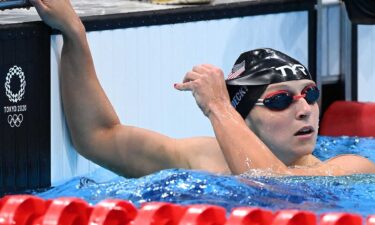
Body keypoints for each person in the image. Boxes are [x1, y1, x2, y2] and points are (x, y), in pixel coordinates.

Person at [30, 0, 375, 177]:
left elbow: (277, 187)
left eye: (310, 94)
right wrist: (74, 33)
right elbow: (97, 137)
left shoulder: (351, 168)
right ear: (244, 118)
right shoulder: (202, 159)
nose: (304, 109)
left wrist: (219, 107)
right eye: (280, 100)